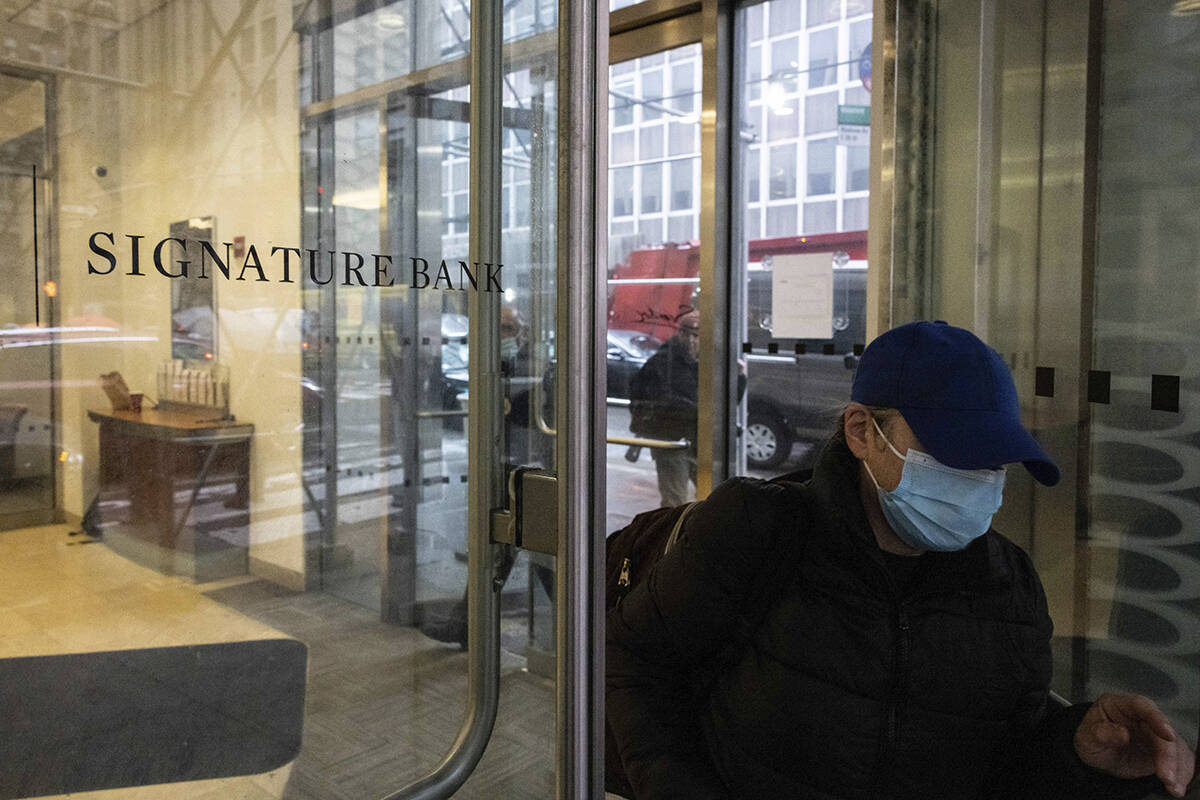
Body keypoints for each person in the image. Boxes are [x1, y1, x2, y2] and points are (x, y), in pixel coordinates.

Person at [607, 320, 1196, 800]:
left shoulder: (1008, 586)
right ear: (862, 432)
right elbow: (636, 663)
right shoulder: (756, 531)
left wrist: (1077, 749)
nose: (978, 481)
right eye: (953, 453)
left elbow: (1005, 759)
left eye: (994, 462)